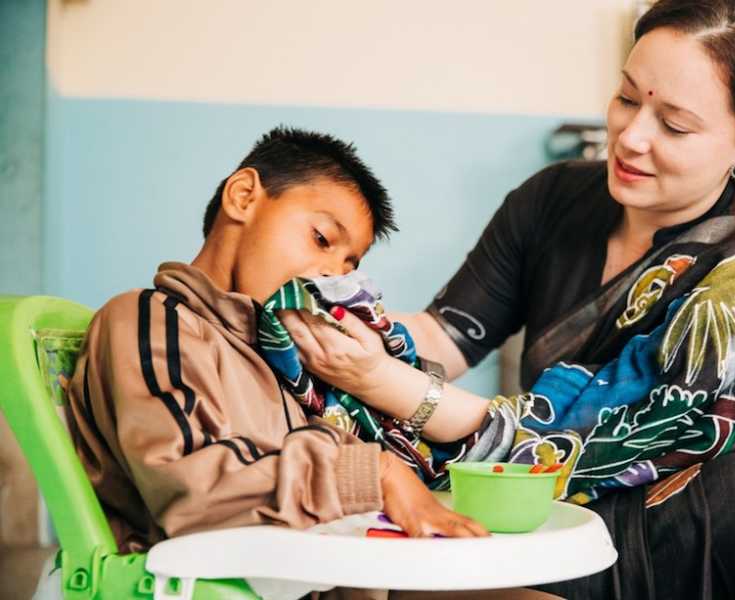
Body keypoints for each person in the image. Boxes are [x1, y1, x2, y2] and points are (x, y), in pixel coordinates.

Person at [280, 1, 735, 598]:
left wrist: (377, 378)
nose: (631, 137)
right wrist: (335, 320)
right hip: (587, 515)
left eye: (673, 124)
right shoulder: (551, 200)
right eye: (626, 98)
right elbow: (442, 336)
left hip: (733, 537)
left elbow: (574, 441)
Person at [58, 127, 563, 599]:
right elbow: (195, 491)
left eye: (348, 266)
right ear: (243, 196)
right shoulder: (151, 320)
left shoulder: (280, 359)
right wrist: (380, 473)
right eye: (322, 239)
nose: (328, 274)